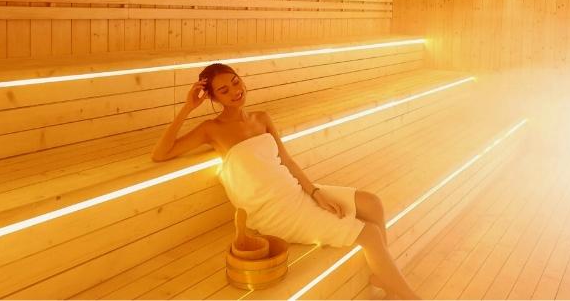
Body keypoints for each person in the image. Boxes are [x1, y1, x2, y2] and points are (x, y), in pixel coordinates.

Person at [151, 63, 421, 300]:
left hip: (294, 191)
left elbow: (288, 161)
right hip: (274, 212)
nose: (235, 91)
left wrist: (315, 192)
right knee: (369, 233)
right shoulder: (212, 130)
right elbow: (160, 153)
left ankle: (384, 277)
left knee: (372, 203)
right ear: (213, 98)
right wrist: (188, 107)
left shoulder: (262, 118)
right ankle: (408, 295)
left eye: (235, 81)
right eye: (224, 91)